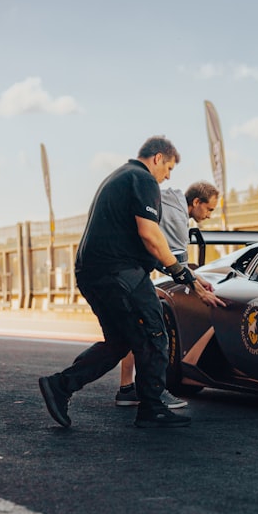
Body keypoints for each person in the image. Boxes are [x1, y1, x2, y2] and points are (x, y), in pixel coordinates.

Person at [38, 136, 223, 429]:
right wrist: (184, 275)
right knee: (155, 334)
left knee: (120, 342)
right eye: (170, 167)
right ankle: (151, 407)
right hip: (120, 273)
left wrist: (186, 275)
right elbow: (150, 235)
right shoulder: (143, 179)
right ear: (158, 158)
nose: (168, 176)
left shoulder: (119, 177)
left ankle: (60, 386)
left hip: (92, 272)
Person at [114, 181, 220, 408]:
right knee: (157, 332)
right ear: (196, 202)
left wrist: (199, 279)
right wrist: (201, 293)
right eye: (209, 209)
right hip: (129, 273)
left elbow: (176, 265)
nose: (210, 215)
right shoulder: (177, 219)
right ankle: (155, 393)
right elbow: (176, 268)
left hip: (118, 268)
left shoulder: (168, 197)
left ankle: (126, 390)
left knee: (132, 331)